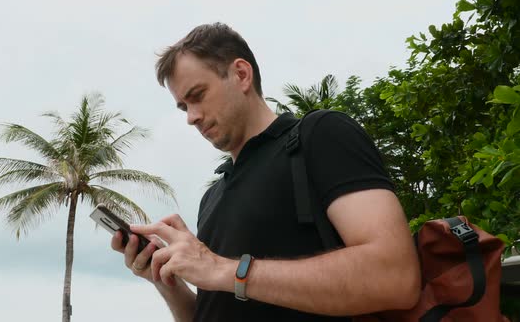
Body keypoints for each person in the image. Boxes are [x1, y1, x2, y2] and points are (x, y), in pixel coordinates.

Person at [111, 22, 421, 321]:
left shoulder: (320, 136)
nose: (191, 117)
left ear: (242, 75)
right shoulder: (212, 198)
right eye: (183, 107)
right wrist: (169, 282)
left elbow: (395, 276)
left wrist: (222, 269)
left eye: (198, 95)